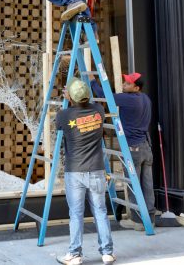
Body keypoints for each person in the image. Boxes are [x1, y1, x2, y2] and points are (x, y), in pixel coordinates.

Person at [55, 78, 116, 265]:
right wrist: (74, 98)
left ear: (70, 98)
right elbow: (85, 105)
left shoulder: (63, 115)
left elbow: (62, 127)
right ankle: (107, 253)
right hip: (97, 169)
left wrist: (68, 99)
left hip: (75, 171)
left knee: (76, 213)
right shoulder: (98, 110)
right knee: (100, 211)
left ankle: (74, 255)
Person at [92, 72, 155, 227]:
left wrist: (93, 81)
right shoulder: (145, 98)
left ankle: (138, 222)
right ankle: (150, 219)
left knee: (134, 186)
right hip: (146, 148)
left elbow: (102, 94)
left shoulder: (129, 99)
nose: (124, 85)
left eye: (127, 84)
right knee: (147, 185)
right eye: (125, 82)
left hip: (134, 149)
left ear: (136, 87)